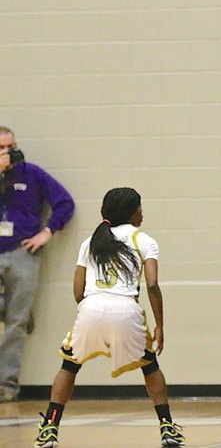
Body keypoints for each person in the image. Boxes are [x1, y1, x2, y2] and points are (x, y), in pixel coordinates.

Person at [34, 187, 185, 448]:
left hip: (90, 307)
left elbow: (78, 290)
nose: (142, 212)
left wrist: (91, 312)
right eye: (140, 207)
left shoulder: (90, 241)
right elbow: (151, 284)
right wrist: (160, 324)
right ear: (131, 211)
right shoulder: (144, 240)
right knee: (149, 366)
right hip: (126, 308)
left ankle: (49, 427)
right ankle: (167, 428)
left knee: (69, 365)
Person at [0, 126, 75, 403]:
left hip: (22, 251)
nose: (7, 153)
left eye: (11, 146)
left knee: (16, 322)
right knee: (9, 314)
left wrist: (46, 233)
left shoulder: (32, 174)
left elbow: (65, 203)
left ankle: (6, 385)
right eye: (1, 148)